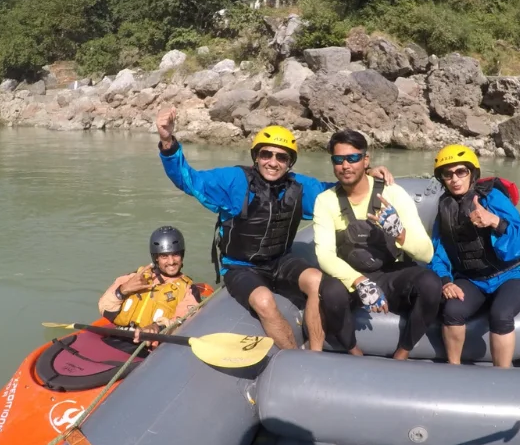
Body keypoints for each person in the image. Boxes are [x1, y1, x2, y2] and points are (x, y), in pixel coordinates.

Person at [155, 107, 394, 351]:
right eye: (266, 154)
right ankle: (292, 355)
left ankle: (314, 354)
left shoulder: (300, 187)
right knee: (264, 300)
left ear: (290, 163)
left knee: (318, 281)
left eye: (281, 157)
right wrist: (167, 141)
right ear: (256, 156)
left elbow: (336, 191)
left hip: (280, 260)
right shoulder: (234, 181)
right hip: (240, 266)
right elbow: (189, 179)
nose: (273, 162)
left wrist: (366, 174)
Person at [312, 130, 441, 360]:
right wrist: (359, 282)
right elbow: (325, 256)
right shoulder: (326, 201)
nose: (345, 165)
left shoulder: (393, 193)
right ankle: (353, 350)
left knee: (431, 284)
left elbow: (427, 252)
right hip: (352, 274)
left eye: (352, 158)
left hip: (391, 273)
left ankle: (402, 352)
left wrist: (400, 234)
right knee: (330, 291)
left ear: (366, 160)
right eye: (338, 159)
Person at [429, 145, 520, 367]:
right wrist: (446, 282)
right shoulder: (445, 207)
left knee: (501, 315)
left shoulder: (492, 198)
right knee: (452, 311)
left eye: (461, 172)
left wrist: (495, 221)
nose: (455, 179)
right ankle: (453, 368)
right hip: (472, 279)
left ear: (472, 173)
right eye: (448, 174)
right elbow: (439, 251)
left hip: (508, 275)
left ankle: (502, 376)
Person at [97, 225, 212, 344]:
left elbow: (184, 321)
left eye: (175, 254)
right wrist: (123, 290)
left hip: (146, 348)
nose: (171, 261)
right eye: (164, 256)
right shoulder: (135, 276)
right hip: (117, 337)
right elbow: (104, 307)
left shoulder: (189, 289)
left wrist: (157, 327)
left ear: (182, 255)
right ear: (156, 258)